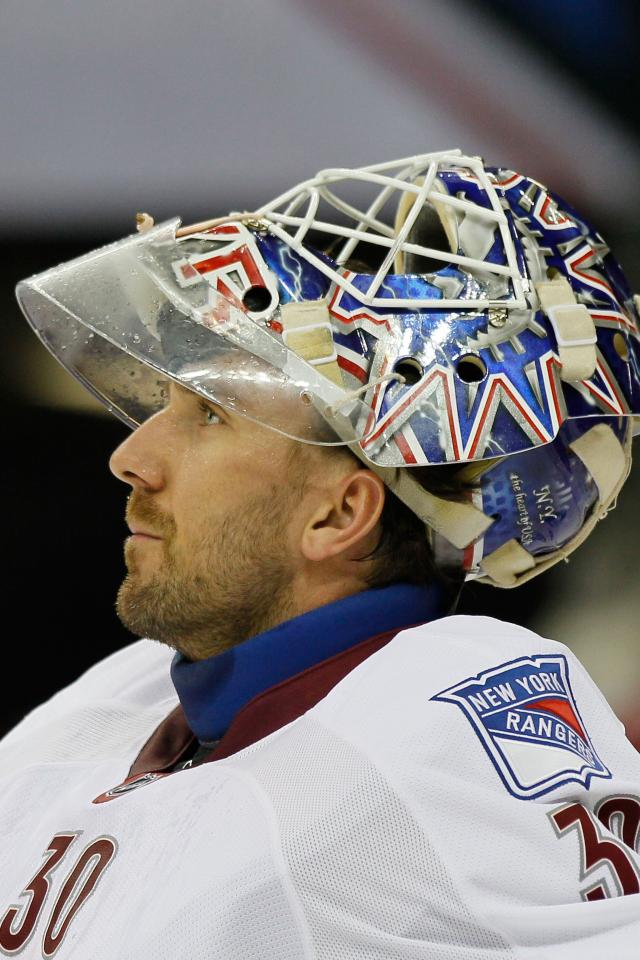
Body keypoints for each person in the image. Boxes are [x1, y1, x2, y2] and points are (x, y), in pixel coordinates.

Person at [2, 150, 640, 958]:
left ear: (340, 514)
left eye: (210, 413)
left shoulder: (441, 733)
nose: (130, 457)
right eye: (167, 400)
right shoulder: (127, 696)